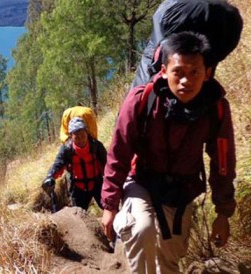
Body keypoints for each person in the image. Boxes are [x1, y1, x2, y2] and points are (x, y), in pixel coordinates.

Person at [100, 32, 236, 273]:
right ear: (164, 71)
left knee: (169, 258)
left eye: (194, 72)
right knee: (141, 229)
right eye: (178, 72)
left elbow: (222, 162)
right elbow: (119, 153)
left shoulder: (215, 109)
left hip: (181, 192)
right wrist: (110, 205)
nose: (186, 80)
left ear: (207, 73)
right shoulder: (142, 100)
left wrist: (223, 213)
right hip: (141, 181)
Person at [42, 117, 108, 210]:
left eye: (83, 136)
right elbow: (58, 165)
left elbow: (108, 164)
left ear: (87, 132)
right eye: (77, 137)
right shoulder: (67, 150)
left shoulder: (96, 145)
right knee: (78, 216)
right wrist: (50, 176)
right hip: (78, 188)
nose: (81, 140)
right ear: (71, 136)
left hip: (97, 184)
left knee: (109, 208)